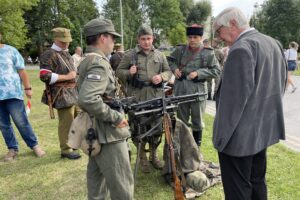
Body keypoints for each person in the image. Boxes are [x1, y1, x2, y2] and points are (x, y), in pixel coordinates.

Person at [213, 7, 287, 200]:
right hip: (261, 132)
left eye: (218, 30)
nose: (218, 37)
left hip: (237, 139)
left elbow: (231, 104)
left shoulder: (241, 49)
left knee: (238, 191)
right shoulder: (272, 43)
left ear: (233, 24)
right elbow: (280, 86)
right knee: (257, 183)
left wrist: (221, 141)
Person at [77, 18, 133, 200]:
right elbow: (87, 99)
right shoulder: (98, 63)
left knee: (97, 184)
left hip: (96, 130)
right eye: (112, 37)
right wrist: (116, 118)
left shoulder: (89, 59)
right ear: (102, 37)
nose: (114, 42)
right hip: (108, 133)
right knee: (122, 185)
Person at [116, 25, 172, 173]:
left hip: (155, 96)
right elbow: (118, 72)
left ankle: (154, 156)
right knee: (137, 128)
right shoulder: (130, 55)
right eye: (143, 39)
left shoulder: (160, 55)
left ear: (153, 38)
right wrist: (128, 72)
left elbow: (168, 71)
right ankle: (142, 158)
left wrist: (161, 77)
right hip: (137, 97)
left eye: (149, 38)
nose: (146, 42)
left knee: (157, 128)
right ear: (138, 40)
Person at [168, 24, 220, 147]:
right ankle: (184, 149)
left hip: (198, 91)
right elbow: (169, 60)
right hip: (181, 89)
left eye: (195, 37)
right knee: (182, 121)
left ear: (201, 38)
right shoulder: (180, 50)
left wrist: (199, 73)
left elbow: (217, 71)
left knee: (197, 121)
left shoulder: (208, 53)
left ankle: (196, 150)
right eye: (190, 37)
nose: (192, 40)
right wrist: (175, 69)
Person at [0, 31, 45, 161]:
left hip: (12, 93)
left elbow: (22, 71)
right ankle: (12, 149)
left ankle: (35, 146)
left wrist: (28, 88)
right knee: (3, 125)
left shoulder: (11, 51)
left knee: (21, 121)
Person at [40, 27, 81, 160]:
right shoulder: (48, 54)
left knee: (77, 119)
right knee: (66, 123)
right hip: (61, 93)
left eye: (67, 41)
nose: (66, 43)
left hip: (74, 91)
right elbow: (44, 76)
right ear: (56, 39)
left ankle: (74, 143)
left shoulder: (66, 53)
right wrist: (67, 76)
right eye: (63, 41)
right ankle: (66, 149)